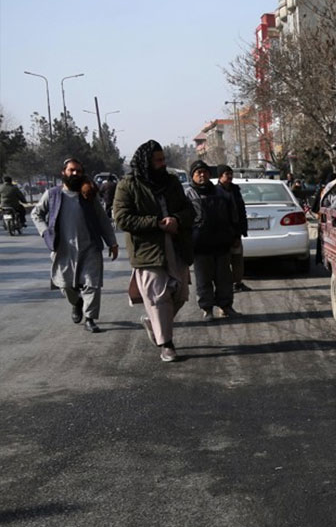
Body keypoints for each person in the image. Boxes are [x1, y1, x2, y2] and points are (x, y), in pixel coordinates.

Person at [114, 140, 195, 362]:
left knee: (179, 294)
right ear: (146, 162)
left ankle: (154, 324)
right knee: (158, 297)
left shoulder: (171, 182)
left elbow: (189, 210)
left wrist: (177, 219)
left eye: (163, 159)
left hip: (176, 244)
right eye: (157, 160)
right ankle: (166, 344)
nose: (162, 164)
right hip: (148, 249)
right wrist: (156, 223)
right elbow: (122, 218)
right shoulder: (128, 184)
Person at [32, 158, 119, 333]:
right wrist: (45, 232)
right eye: (71, 170)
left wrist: (112, 242)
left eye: (78, 171)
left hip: (90, 247)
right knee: (64, 284)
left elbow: (102, 220)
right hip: (63, 249)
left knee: (92, 284)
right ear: (63, 172)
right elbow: (36, 214)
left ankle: (90, 319)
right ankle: (77, 302)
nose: (75, 174)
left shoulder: (88, 195)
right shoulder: (53, 195)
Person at [186, 161, 238, 320]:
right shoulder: (188, 194)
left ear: (209, 174)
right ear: (193, 176)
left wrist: (234, 235)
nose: (202, 175)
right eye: (198, 172)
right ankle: (207, 309)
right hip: (200, 246)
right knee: (203, 280)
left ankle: (226, 306)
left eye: (205, 172)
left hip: (221, 244)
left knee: (224, 279)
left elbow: (233, 215)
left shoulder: (220, 192)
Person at [216, 165, 251, 292]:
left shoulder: (235, 190)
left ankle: (238, 282)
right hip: (222, 233)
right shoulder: (216, 192)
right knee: (224, 261)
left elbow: (241, 211)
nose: (230, 176)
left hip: (236, 231)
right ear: (220, 176)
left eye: (231, 173)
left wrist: (240, 231)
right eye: (227, 174)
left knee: (237, 259)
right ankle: (225, 285)